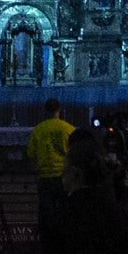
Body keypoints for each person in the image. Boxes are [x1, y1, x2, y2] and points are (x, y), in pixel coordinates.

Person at [26, 99, 73, 234]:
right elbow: (73, 154)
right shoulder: (68, 129)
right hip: (64, 177)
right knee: (65, 212)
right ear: (59, 110)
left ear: (45, 111)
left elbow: (31, 155)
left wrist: (35, 175)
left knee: (46, 214)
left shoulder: (39, 130)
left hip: (45, 177)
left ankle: (47, 240)